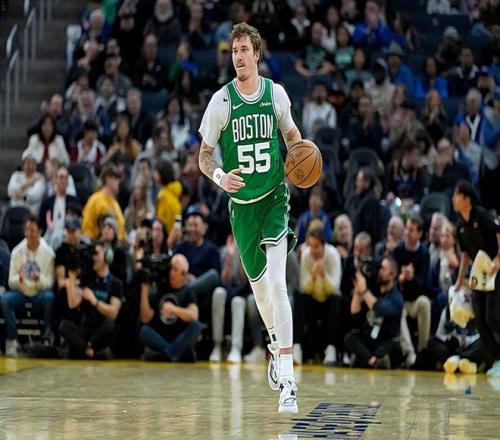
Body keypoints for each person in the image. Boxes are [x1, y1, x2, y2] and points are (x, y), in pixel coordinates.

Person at [198, 22, 302, 413]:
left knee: (277, 284)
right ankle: (275, 344)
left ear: (257, 54)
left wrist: (299, 157)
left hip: (274, 198)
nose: (238, 57)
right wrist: (221, 177)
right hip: (242, 208)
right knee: (261, 292)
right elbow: (204, 156)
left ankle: (288, 380)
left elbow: (293, 137)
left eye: (244, 50)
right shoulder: (221, 101)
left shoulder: (275, 94)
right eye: (234, 51)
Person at [453, 180, 500, 376]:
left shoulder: (482, 216)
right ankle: (495, 360)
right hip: (478, 275)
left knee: (493, 318)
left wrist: (498, 258)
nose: (453, 199)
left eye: (456, 195)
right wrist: (458, 281)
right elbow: (465, 255)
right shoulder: (460, 226)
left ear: (466, 199)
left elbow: (499, 234)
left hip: (495, 272)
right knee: (480, 319)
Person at [1, 216, 55, 357]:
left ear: (39, 232)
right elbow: (11, 282)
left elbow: (50, 283)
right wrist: (19, 280)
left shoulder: (48, 253)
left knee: (49, 297)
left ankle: (47, 338)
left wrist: (39, 279)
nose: (29, 234)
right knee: (5, 299)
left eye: (32, 230)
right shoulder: (17, 251)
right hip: (22, 292)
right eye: (27, 230)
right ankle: (12, 339)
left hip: (39, 293)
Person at [60, 241, 122, 359]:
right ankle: (90, 351)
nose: (93, 258)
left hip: (100, 331)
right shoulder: (87, 278)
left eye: (96, 254)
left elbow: (113, 313)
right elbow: (72, 304)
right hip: (85, 328)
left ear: (107, 256)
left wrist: (95, 301)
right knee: (64, 325)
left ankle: (82, 348)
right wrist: (72, 275)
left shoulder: (116, 283)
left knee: (110, 325)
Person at [139, 253, 204, 361]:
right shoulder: (162, 288)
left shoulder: (188, 291)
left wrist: (174, 309)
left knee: (196, 325)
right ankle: (176, 354)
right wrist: (144, 290)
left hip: (180, 336)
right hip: (162, 336)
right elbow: (145, 318)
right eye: (171, 268)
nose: (171, 272)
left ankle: (166, 355)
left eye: (175, 270)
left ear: (183, 274)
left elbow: (194, 315)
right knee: (144, 331)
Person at [293, 227, 342, 366]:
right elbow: (303, 287)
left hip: (328, 301)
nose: (313, 250)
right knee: (298, 298)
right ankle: (296, 347)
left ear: (323, 244)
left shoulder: (333, 254)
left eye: (316, 246)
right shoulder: (306, 255)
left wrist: (323, 276)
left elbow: (335, 287)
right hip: (312, 300)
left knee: (335, 300)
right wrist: (314, 277)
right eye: (310, 246)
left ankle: (331, 349)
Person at [344, 256, 404, 368]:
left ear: (392, 274)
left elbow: (379, 308)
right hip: (370, 338)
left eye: (383, 269)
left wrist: (364, 290)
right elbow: (355, 313)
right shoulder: (374, 290)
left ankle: (368, 358)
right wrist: (357, 292)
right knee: (350, 338)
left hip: (385, 341)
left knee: (394, 347)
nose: (379, 271)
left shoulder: (396, 298)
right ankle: (372, 359)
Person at [82, 166, 126, 241]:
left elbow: (121, 230)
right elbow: (87, 226)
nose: (118, 181)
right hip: (97, 243)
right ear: (108, 179)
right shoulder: (95, 200)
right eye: (116, 178)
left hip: (116, 245)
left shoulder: (115, 204)